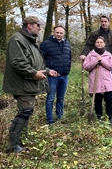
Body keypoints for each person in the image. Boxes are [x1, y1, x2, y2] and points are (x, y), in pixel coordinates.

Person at [3, 16, 59, 153]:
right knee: (25, 111)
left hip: (27, 83)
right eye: (38, 25)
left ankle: (21, 140)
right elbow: (18, 63)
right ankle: (12, 145)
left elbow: (33, 62)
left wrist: (47, 71)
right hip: (22, 84)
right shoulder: (17, 40)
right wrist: (34, 74)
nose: (40, 28)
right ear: (29, 26)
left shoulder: (28, 40)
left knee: (26, 112)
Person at [40, 25, 72, 125]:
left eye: (61, 33)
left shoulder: (67, 44)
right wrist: (47, 71)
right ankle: (50, 120)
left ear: (64, 34)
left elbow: (69, 57)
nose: (59, 34)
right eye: (57, 32)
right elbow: (40, 60)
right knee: (50, 98)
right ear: (54, 32)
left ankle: (60, 117)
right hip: (52, 77)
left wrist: (67, 70)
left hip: (64, 76)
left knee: (61, 98)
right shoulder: (45, 44)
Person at [83, 36, 112, 124]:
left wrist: (102, 61)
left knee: (109, 100)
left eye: (101, 42)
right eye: (97, 42)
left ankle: (110, 118)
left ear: (104, 44)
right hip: (95, 82)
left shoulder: (108, 55)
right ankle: (99, 119)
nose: (99, 44)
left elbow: (111, 66)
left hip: (107, 83)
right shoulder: (90, 55)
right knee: (98, 101)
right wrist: (95, 61)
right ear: (95, 44)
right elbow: (86, 67)